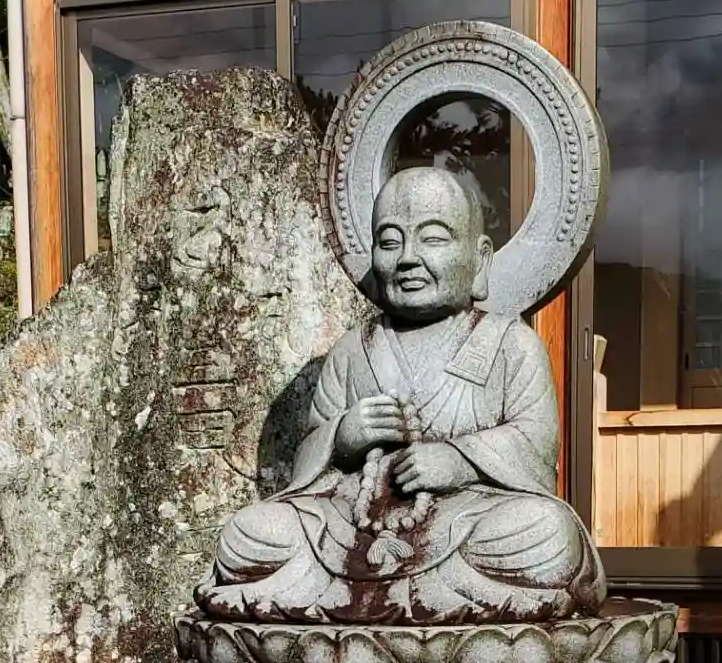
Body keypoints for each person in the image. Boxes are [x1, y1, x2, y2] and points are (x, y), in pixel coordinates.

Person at [197, 165, 604, 623]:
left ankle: (352, 599)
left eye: (433, 239)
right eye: (390, 242)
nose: (408, 258)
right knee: (247, 534)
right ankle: (436, 601)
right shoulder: (353, 349)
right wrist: (341, 438)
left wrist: (458, 460)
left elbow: (535, 442)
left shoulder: (510, 343)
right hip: (351, 525)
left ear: (480, 258)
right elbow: (310, 457)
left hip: (466, 520)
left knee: (549, 534)